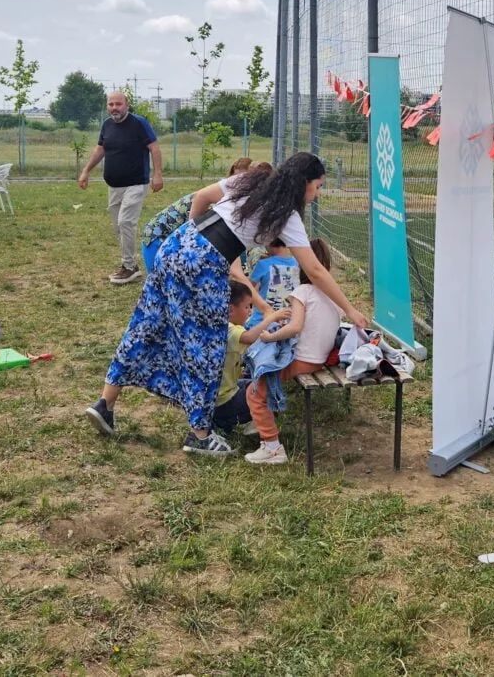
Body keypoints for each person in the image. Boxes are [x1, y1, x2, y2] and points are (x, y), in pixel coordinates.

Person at [85, 151, 369, 457]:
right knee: (206, 347)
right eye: (318, 186)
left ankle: (105, 403)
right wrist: (349, 309)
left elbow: (202, 197)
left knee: (146, 324)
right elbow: (314, 270)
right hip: (203, 267)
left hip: (176, 244)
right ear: (303, 183)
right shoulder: (286, 215)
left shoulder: (252, 180)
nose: (317, 193)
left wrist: (195, 238)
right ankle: (200, 435)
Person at [241, 239, 344, 465]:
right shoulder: (334, 294)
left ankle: (272, 446)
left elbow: (295, 327)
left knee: (253, 392)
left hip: (303, 359)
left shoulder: (302, 292)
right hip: (320, 358)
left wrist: (270, 336)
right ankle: (266, 421)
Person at [78, 90, 163, 285]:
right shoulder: (107, 125)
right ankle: (130, 264)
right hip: (114, 185)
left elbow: (154, 147)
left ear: (127, 105)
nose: (114, 108)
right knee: (118, 226)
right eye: (111, 104)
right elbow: (100, 149)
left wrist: (157, 174)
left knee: (125, 222)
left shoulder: (139, 123)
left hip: (135, 183)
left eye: (118, 104)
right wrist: (86, 171)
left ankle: (129, 267)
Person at [140, 157, 262, 273]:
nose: (240, 182)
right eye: (237, 178)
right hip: (157, 236)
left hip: (169, 238)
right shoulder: (219, 200)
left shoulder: (223, 195)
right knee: (162, 281)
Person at [206, 279, 288, 435]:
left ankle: (232, 420)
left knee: (257, 385)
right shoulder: (229, 329)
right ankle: (234, 421)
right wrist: (271, 318)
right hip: (223, 402)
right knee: (267, 390)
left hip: (220, 395)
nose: (250, 312)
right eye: (247, 307)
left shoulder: (217, 325)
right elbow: (250, 337)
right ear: (230, 310)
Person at [246, 237, 299, 329]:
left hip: (261, 324)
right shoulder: (298, 264)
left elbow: (246, 289)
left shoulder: (263, 264)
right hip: (288, 325)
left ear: (268, 243)